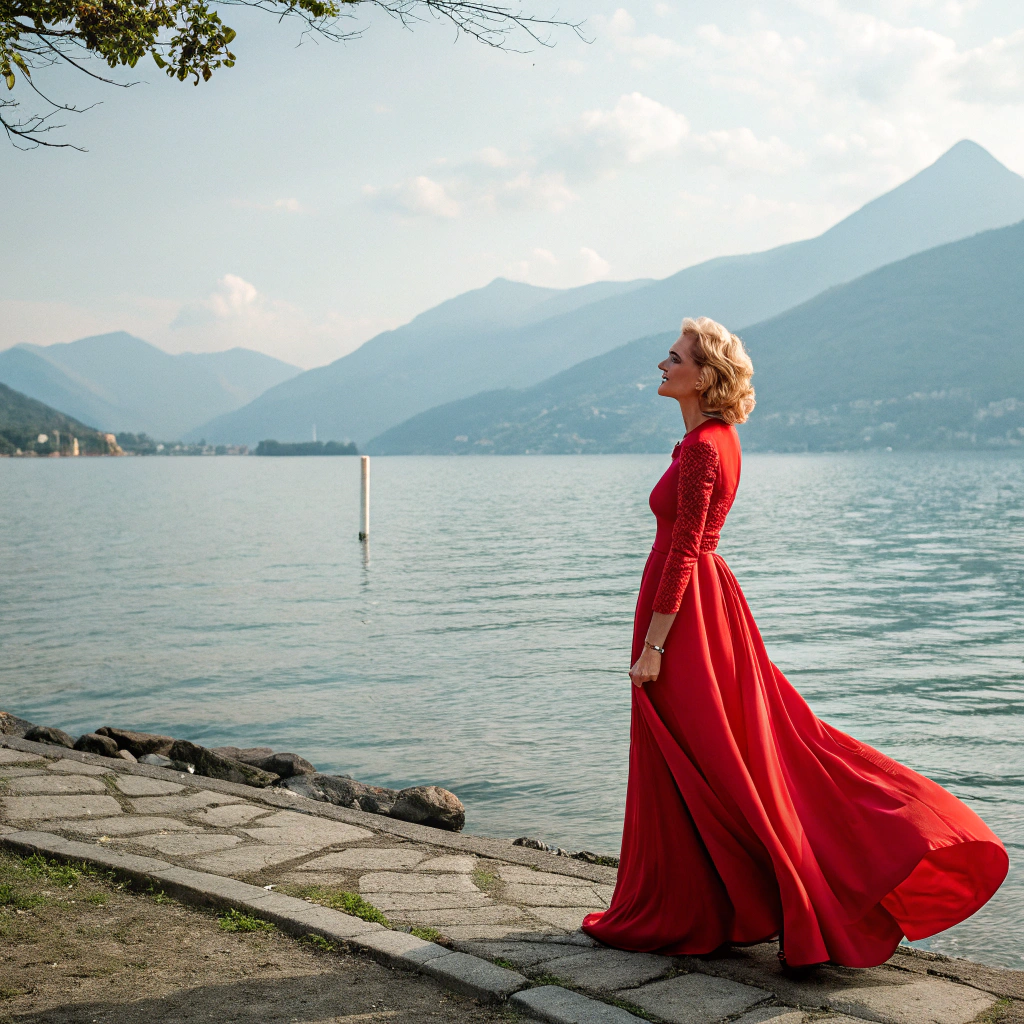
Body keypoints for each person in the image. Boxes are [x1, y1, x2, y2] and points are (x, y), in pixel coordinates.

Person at [581, 316, 1008, 970]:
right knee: (733, 758)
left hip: (687, 621)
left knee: (719, 763)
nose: (661, 366)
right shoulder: (715, 440)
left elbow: (685, 552)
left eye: (673, 357)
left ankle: (768, 894)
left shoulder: (702, 449)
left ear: (704, 375)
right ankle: (727, 904)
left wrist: (655, 646)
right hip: (703, 612)